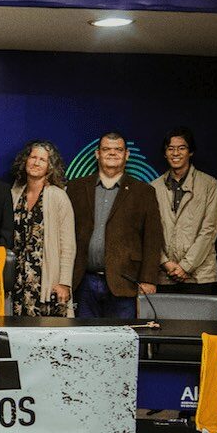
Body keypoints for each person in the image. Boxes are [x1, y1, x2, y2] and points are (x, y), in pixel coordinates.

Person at [66, 132, 163, 319]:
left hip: (125, 282)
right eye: (106, 149)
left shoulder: (144, 191)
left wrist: (148, 279)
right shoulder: (76, 188)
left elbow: (153, 238)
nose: (112, 153)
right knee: (84, 342)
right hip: (83, 280)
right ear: (97, 154)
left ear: (127, 154)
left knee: (122, 342)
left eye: (118, 149)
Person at [151, 127, 217, 295]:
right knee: (164, 322)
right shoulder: (153, 187)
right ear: (165, 153)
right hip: (164, 275)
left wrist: (185, 266)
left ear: (190, 152)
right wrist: (166, 263)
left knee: (198, 322)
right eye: (170, 148)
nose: (176, 153)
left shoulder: (209, 184)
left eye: (181, 148)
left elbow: (210, 230)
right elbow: (150, 232)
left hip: (200, 275)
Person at [9, 140, 76, 317]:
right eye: (33, 157)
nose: (36, 162)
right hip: (17, 280)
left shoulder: (58, 196)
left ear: (50, 167)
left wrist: (64, 282)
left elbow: (68, 244)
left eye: (42, 159)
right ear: (25, 161)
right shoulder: (15, 193)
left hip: (46, 282)